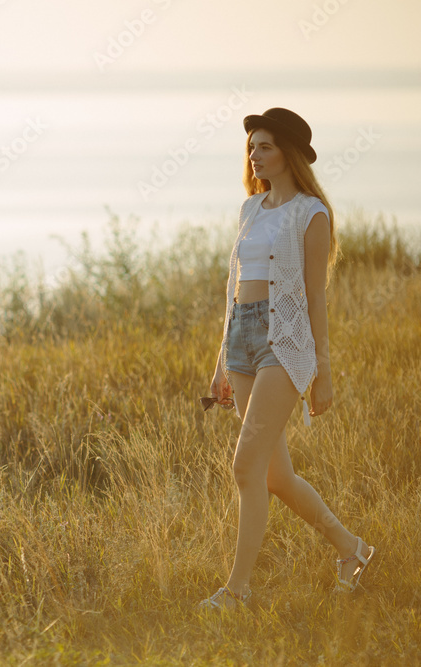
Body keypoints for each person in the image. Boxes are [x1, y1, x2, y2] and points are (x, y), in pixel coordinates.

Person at [200, 108, 375, 610]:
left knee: (244, 467)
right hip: (241, 343)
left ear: (289, 153)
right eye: (252, 146)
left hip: (284, 343)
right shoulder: (249, 210)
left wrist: (322, 368)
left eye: (266, 146)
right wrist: (219, 363)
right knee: (275, 476)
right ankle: (352, 549)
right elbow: (232, 289)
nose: (255, 155)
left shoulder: (310, 213)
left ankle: (236, 592)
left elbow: (316, 298)